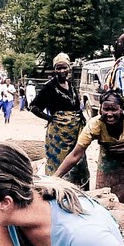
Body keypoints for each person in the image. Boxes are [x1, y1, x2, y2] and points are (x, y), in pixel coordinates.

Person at [53, 89, 124, 207]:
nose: (109, 114)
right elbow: (75, 155)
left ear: (122, 109)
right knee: (105, 198)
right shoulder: (95, 126)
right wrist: (55, 178)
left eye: (114, 109)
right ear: (100, 110)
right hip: (110, 164)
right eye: (106, 109)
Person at [30, 54, 88, 187]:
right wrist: (50, 119)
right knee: (58, 163)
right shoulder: (49, 87)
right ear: (54, 69)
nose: (62, 71)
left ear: (69, 68)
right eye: (58, 68)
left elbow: (76, 105)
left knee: (78, 160)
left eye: (64, 68)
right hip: (58, 134)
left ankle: (78, 189)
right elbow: (33, 107)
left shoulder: (71, 84)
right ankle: (56, 189)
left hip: (75, 131)